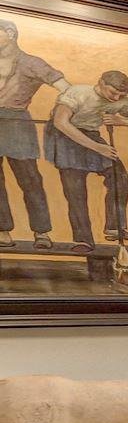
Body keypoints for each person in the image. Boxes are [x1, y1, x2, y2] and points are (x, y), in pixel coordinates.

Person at [44, 70, 128, 252]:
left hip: (91, 135)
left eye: (121, 95)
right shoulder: (78, 92)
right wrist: (98, 147)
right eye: (112, 93)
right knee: (75, 191)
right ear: (100, 83)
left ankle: (114, 227)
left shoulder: (120, 100)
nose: (116, 98)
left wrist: (122, 121)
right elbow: (60, 122)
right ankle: (83, 240)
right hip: (65, 137)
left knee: (119, 176)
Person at [0, 17, 69, 250]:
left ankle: (41, 232)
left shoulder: (32, 62)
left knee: (30, 179)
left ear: (10, 33)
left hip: (17, 124)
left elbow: (65, 89)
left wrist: (66, 111)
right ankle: (2, 231)